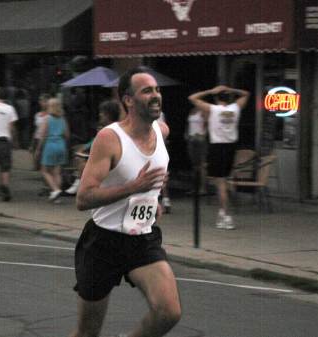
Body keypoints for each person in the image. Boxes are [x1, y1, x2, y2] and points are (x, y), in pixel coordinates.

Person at [70, 67, 181, 337]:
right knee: (88, 333)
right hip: (103, 243)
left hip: (142, 239)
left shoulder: (161, 131)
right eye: (147, 91)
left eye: (157, 90)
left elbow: (153, 169)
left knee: (169, 312)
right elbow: (83, 198)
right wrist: (134, 187)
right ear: (128, 100)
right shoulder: (110, 139)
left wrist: (153, 197)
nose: (155, 96)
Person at [188, 85, 250, 230]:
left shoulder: (213, 109)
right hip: (231, 146)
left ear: (217, 98)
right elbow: (246, 93)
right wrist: (232, 89)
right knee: (226, 180)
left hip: (217, 147)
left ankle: (225, 215)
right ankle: (224, 212)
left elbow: (192, 98)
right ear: (229, 98)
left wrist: (210, 91)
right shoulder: (235, 108)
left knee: (220, 183)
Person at [65, 99, 121, 195]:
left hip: (110, 161)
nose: (100, 115)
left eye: (102, 113)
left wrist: (87, 153)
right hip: (104, 158)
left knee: (82, 163)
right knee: (80, 157)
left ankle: (80, 183)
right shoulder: (105, 128)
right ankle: (79, 182)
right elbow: (94, 142)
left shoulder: (110, 130)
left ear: (108, 115)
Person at [35, 98, 69, 202]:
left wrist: (38, 149)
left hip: (50, 145)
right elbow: (67, 135)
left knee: (44, 170)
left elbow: (43, 135)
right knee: (57, 172)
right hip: (61, 145)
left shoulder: (47, 118)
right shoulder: (63, 119)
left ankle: (55, 190)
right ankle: (56, 197)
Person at [186, 106, 208, 194]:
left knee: (202, 165)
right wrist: (186, 133)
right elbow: (188, 124)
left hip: (200, 138)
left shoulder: (203, 110)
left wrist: (204, 134)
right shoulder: (191, 110)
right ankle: (195, 188)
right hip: (191, 138)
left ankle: (203, 188)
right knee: (194, 165)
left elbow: (207, 124)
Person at [31, 93, 51, 170]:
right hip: (37, 137)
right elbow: (36, 128)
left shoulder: (51, 115)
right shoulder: (37, 115)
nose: (43, 103)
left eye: (45, 101)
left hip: (46, 138)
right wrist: (32, 141)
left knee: (43, 156)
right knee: (35, 155)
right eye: (41, 101)